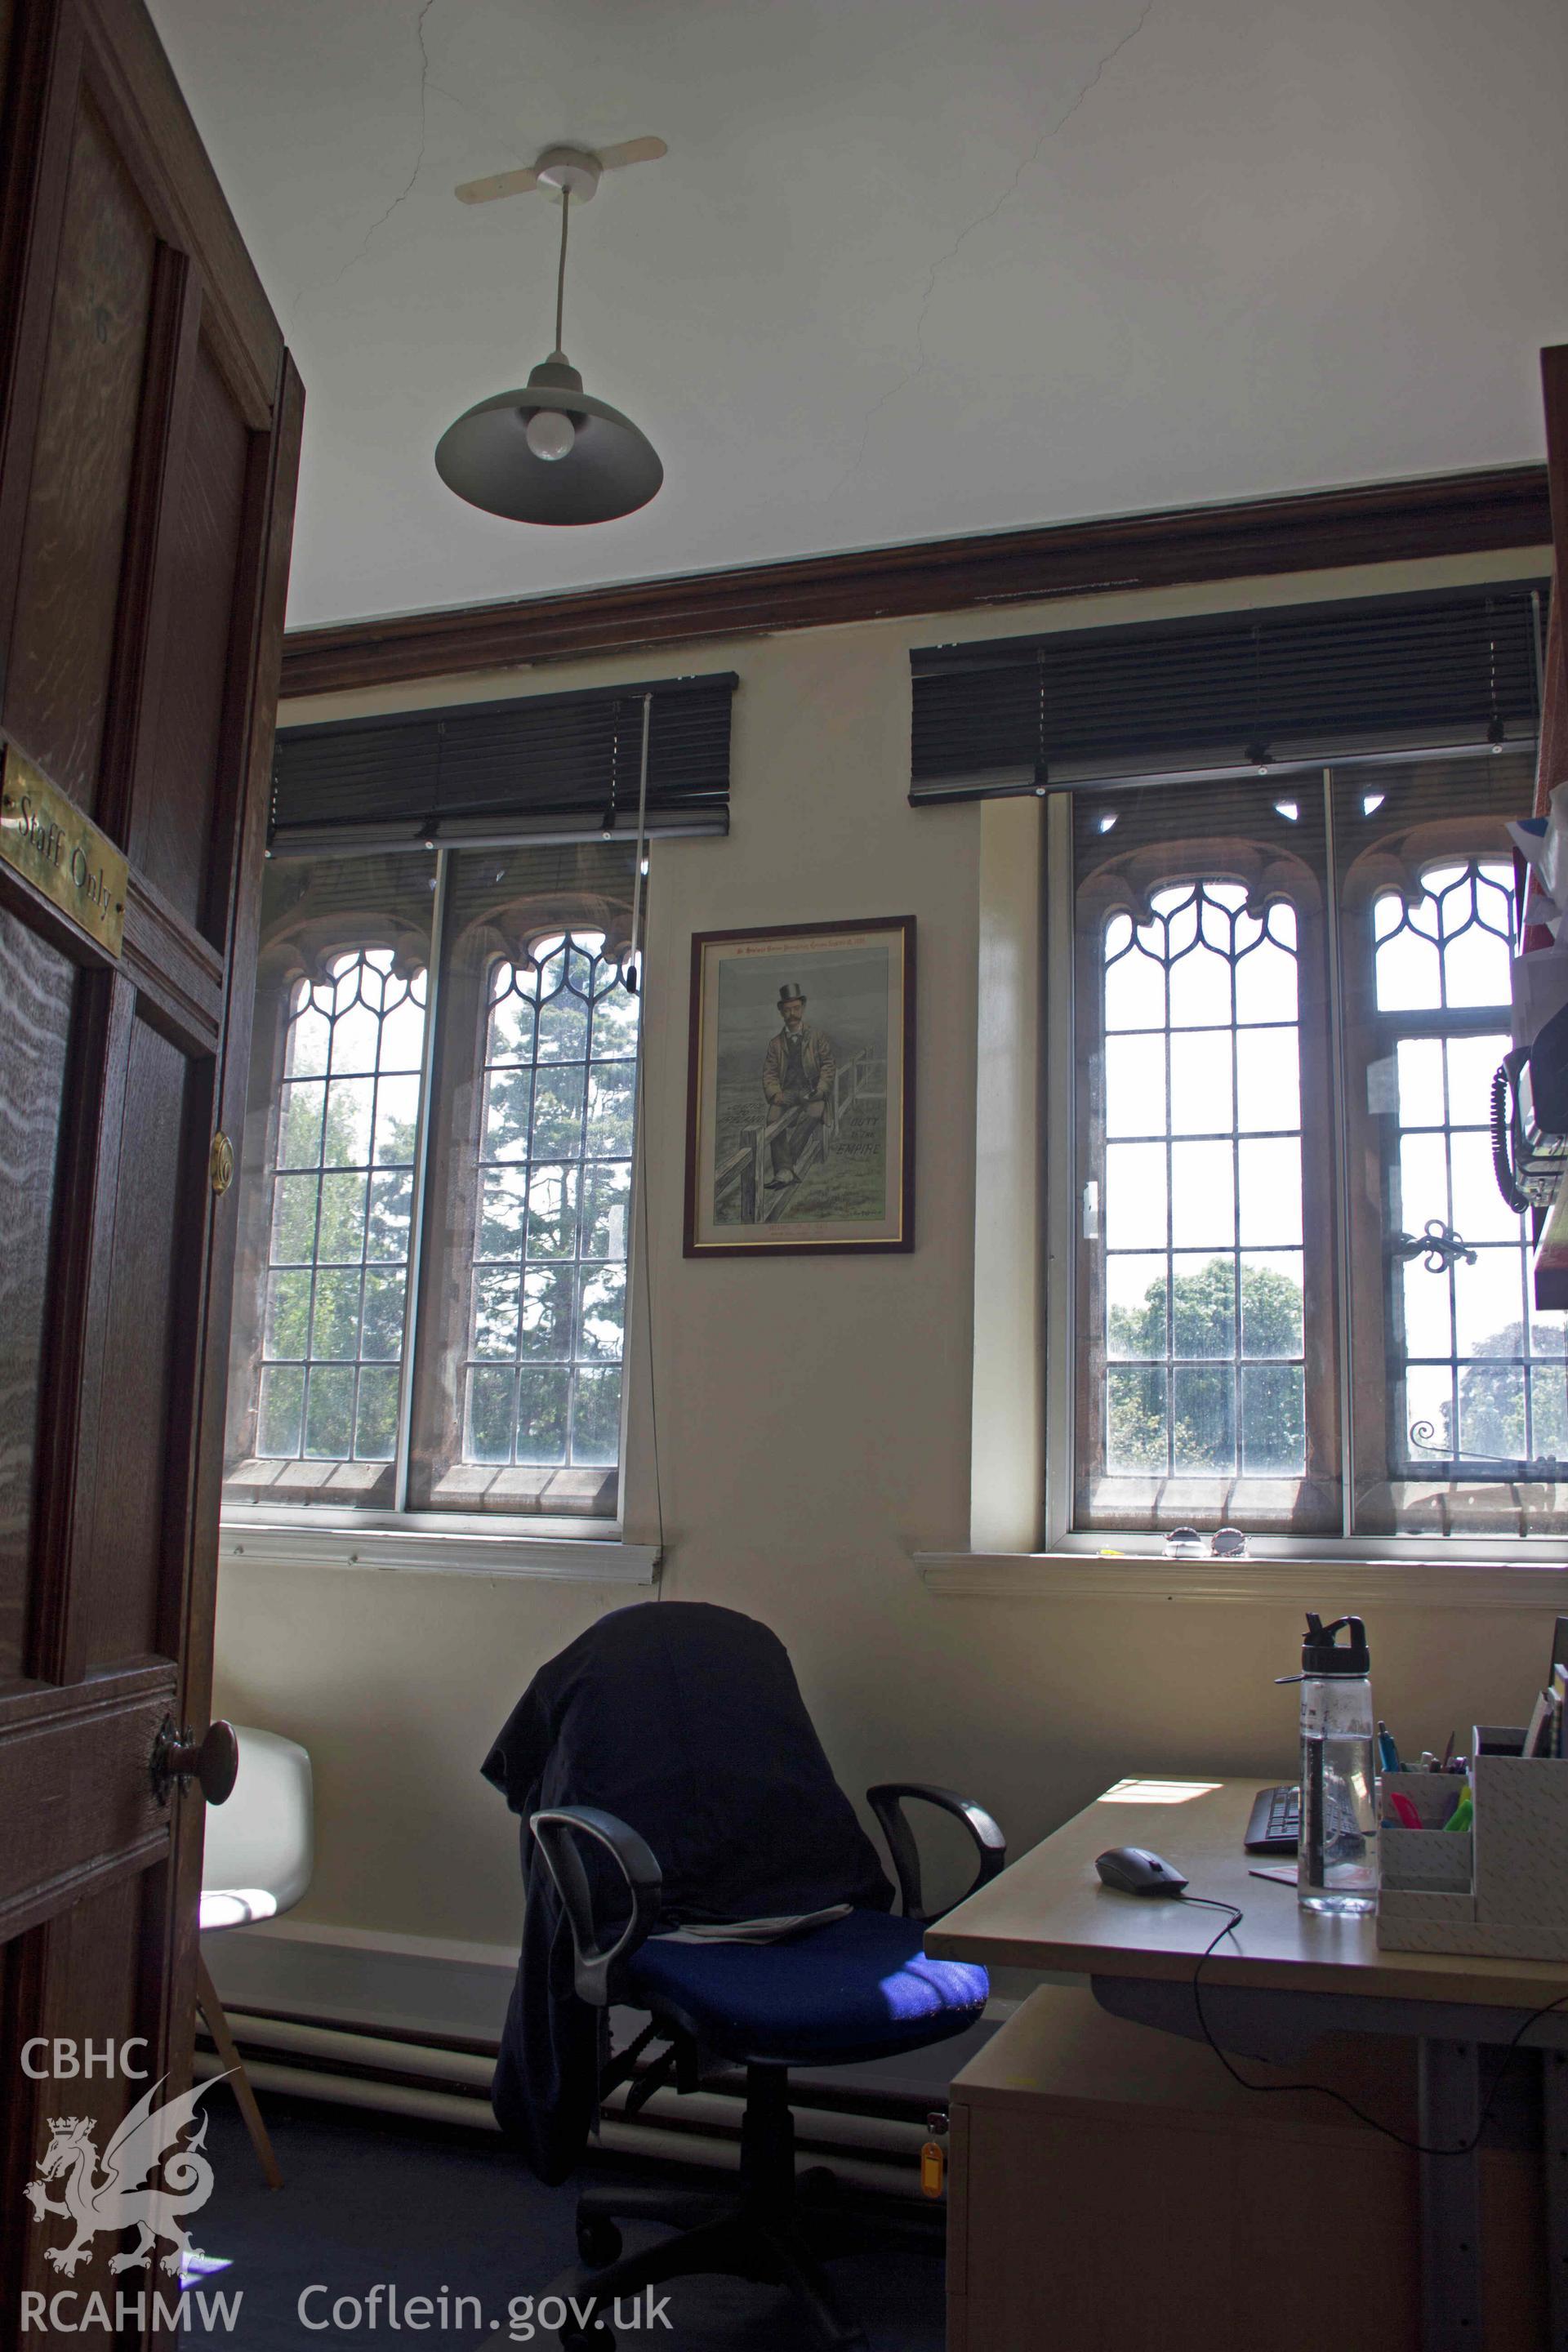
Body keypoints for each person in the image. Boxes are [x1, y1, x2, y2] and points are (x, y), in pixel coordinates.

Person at [761, 982, 836, 1187]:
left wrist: (821, 1089)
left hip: (810, 1090)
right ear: (781, 1012)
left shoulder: (817, 1037)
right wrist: (774, 1094)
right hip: (786, 1093)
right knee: (772, 1119)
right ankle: (786, 1170)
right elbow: (769, 1074)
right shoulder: (775, 1044)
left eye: (795, 1008)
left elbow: (828, 1066)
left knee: (815, 1111)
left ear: (802, 1008)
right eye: (787, 1010)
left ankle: (785, 1167)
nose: (792, 1014)